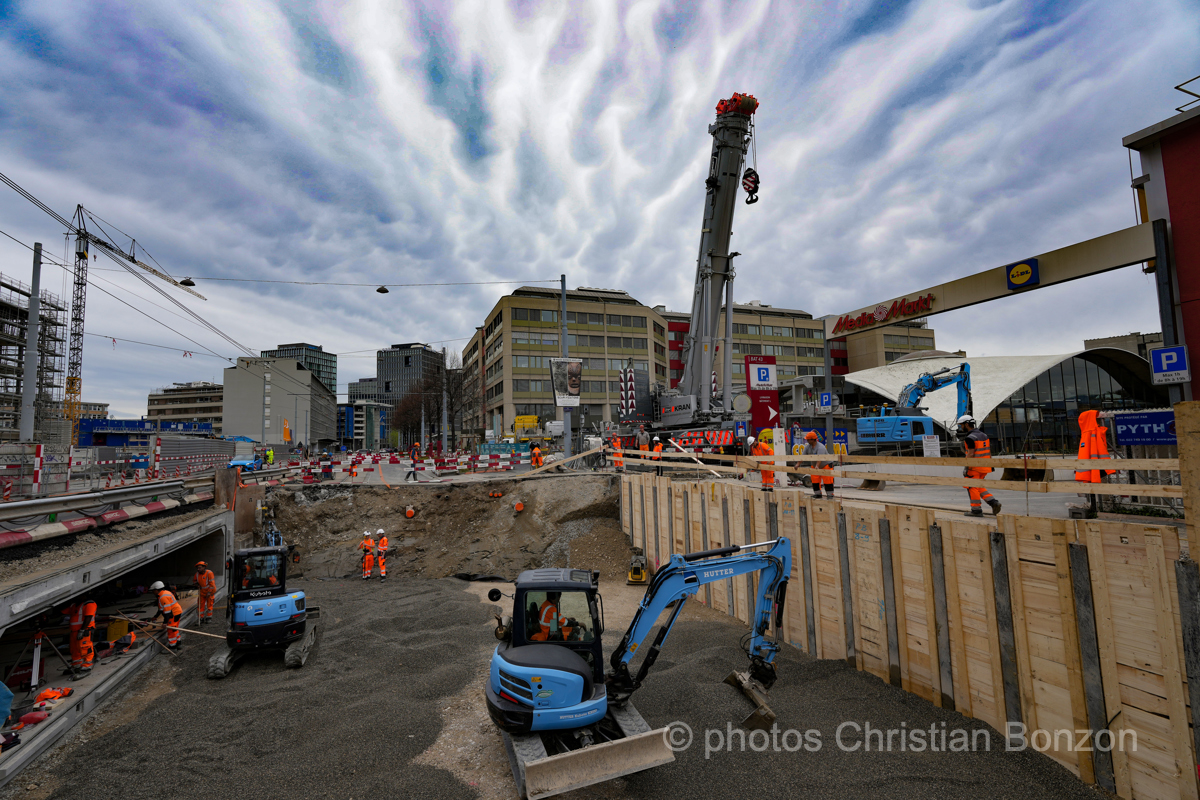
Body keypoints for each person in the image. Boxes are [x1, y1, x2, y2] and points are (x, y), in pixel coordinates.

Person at [957, 415, 1001, 517]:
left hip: (974, 467)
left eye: (961, 425)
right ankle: (993, 502)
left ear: (967, 424)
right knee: (979, 486)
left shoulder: (970, 438)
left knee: (972, 486)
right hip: (985, 466)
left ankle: (976, 509)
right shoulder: (984, 435)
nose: (961, 427)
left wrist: (966, 467)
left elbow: (971, 454)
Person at [63, 598, 98, 672]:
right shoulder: (74, 605)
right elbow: (63, 611)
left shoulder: (89, 603)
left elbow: (88, 617)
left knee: (85, 647)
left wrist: (82, 630)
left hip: (85, 630)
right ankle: (76, 665)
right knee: (74, 649)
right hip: (74, 631)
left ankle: (87, 665)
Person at [149, 581, 183, 649]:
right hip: (176, 612)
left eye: (153, 591)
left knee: (171, 630)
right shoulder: (164, 593)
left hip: (173, 614)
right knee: (175, 629)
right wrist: (155, 617)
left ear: (156, 590)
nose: (152, 592)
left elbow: (167, 612)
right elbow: (161, 609)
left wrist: (165, 622)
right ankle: (178, 642)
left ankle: (173, 646)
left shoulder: (162, 597)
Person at [801, 431, 834, 498]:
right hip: (815, 465)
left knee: (828, 481)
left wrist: (817, 466)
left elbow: (820, 457)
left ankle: (830, 495)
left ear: (813, 440)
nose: (807, 440)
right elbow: (802, 456)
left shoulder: (820, 447)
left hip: (826, 465)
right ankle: (818, 494)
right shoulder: (808, 447)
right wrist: (797, 464)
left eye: (808, 439)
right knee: (815, 480)